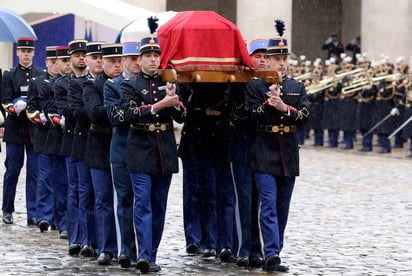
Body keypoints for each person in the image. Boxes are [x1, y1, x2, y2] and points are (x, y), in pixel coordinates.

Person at [120, 29, 186, 273]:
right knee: (143, 204)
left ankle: (152, 254)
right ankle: (144, 255)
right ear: (139, 59)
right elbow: (129, 114)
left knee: (159, 205)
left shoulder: (169, 82)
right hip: (139, 149)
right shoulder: (131, 85)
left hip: (164, 150)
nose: (152, 59)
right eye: (147, 55)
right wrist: (160, 104)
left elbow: (182, 116)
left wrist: (175, 100)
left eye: (155, 55)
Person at [246, 20, 309, 272]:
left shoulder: (296, 86)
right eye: (276, 58)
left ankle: (276, 248)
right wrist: (268, 104)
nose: (281, 63)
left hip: (288, 151)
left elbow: (305, 116)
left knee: (283, 206)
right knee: (268, 203)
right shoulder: (255, 85)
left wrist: (285, 108)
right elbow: (251, 116)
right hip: (263, 150)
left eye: (284, 58)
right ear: (268, 61)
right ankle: (270, 253)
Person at [83, 44, 122, 265]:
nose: (116, 66)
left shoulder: (127, 84)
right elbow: (95, 113)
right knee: (103, 199)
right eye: (111, 62)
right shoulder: (92, 86)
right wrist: (121, 113)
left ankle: (125, 246)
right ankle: (106, 246)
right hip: (100, 145)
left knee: (125, 200)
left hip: (124, 147)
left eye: (119, 62)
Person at [103, 41, 141, 268]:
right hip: (122, 148)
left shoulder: (148, 84)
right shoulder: (113, 86)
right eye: (132, 59)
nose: (137, 62)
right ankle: (126, 248)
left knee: (145, 202)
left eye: (140, 58)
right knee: (125, 199)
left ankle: (145, 249)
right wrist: (141, 112)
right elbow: (116, 117)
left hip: (144, 149)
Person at [231, 39, 267, 268]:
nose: (262, 60)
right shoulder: (238, 83)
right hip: (242, 145)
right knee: (243, 200)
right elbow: (236, 113)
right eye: (258, 56)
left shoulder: (274, 83)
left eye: (266, 57)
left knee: (264, 201)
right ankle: (242, 248)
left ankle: (259, 249)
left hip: (265, 148)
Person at [67, 41, 105, 258]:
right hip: (82, 143)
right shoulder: (78, 84)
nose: (99, 61)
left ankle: (101, 241)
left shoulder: (111, 83)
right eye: (95, 57)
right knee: (85, 194)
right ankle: (85, 239)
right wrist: (97, 111)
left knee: (101, 196)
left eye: (102, 58)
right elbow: (77, 113)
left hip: (102, 143)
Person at [1, 38, 44, 225]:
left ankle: (32, 212)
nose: (26, 54)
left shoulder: (40, 74)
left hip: (34, 130)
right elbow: (4, 99)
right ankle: (7, 209)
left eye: (29, 51)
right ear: (17, 53)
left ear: (33, 53)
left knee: (34, 172)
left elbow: (42, 99)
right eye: (23, 51)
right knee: (12, 170)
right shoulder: (9, 75)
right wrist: (13, 107)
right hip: (15, 130)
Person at [26, 46, 58, 232]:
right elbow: (31, 110)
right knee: (45, 177)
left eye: (58, 62)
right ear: (46, 63)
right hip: (44, 135)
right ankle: (44, 215)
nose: (55, 66)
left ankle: (58, 215)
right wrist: (40, 116)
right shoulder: (37, 82)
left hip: (61, 137)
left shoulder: (66, 82)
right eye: (52, 62)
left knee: (61, 178)